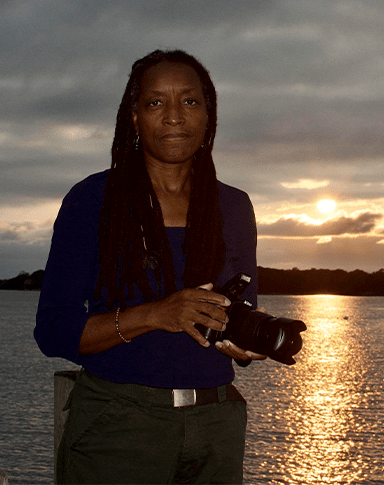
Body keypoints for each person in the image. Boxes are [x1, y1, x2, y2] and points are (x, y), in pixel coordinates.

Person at [34, 49, 266, 484]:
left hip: (217, 422)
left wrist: (247, 341)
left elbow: (239, 307)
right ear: (135, 118)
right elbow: (53, 330)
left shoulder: (234, 206)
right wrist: (157, 314)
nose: (175, 116)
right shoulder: (93, 201)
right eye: (156, 102)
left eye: (190, 101)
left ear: (208, 114)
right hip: (118, 424)